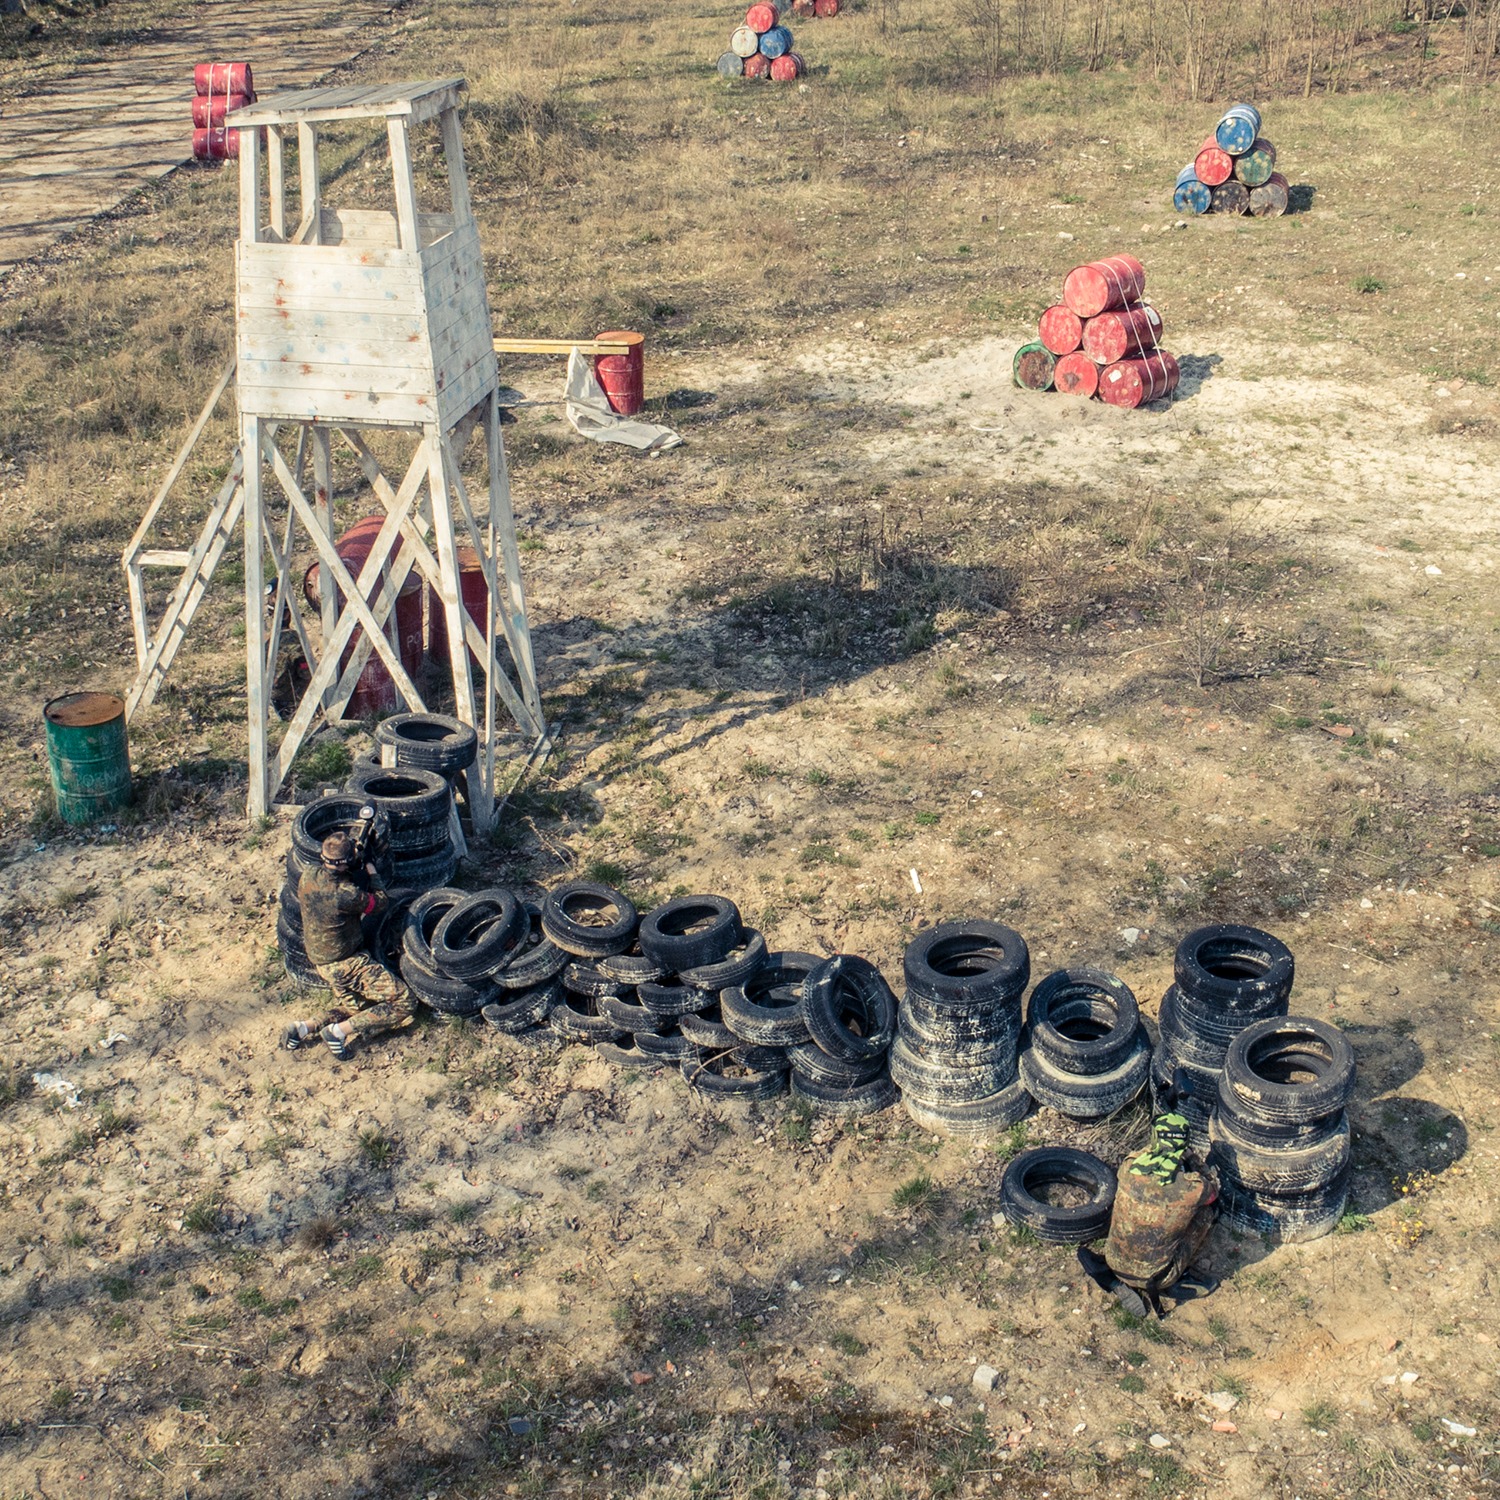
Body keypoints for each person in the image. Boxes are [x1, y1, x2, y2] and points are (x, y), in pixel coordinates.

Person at [1077, 1074, 1220, 1319]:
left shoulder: (1129, 1167)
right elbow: (1213, 1192)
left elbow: (1147, 1152)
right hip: (1160, 1276)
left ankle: (1119, 1280)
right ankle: (1165, 1279)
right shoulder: (1192, 1188)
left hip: (1114, 1261)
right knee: (1207, 1212)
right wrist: (1193, 1160)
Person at [282, 831, 414, 1061]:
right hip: (348, 964)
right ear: (345, 863)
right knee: (404, 1001)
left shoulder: (308, 875)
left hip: (321, 962)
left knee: (356, 1009)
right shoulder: (346, 895)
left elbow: (339, 877)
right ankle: (337, 1033)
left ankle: (304, 1027)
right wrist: (371, 870)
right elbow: (379, 902)